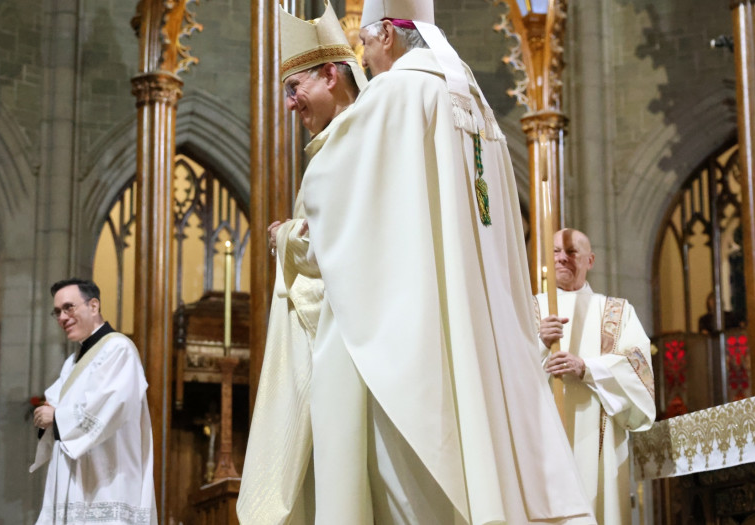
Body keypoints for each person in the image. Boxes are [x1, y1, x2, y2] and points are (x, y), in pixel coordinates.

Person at [297, 0, 596, 522]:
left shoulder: (397, 92)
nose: (364, 63)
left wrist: (293, 238)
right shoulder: (474, 102)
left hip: (418, 331)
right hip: (486, 330)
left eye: (365, 45)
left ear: (388, 34)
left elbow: (337, 195)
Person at [237, 3, 366, 523]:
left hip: (342, 344)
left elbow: (344, 251)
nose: (291, 104)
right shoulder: (338, 142)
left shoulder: (353, 142)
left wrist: (283, 239)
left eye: (296, 89)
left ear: (331, 74)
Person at [537, 229, 656, 524]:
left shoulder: (616, 311)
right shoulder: (530, 309)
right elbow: (503, 368)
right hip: (541, 438)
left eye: (572, 252)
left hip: (600, 444)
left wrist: (586, 368)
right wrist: (538, 343)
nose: (562, 258)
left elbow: (637, 369)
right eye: (555, 252)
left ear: (590, 260)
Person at [30, 278, 156, 525]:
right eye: (57, 312)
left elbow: (109, 407)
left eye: (69, 307)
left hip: (107, 485)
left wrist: (56, 417)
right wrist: (51, 414)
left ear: (94, 306)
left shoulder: (119, 349)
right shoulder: (73, 361)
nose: (63, 318)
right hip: (77, 481)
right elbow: (52, 405)